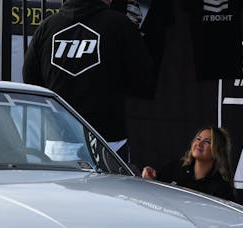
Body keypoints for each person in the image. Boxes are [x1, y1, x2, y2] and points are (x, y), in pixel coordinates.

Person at [22, 0, 156, 159]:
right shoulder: (120, 25)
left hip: (59, 141)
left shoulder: (47, 26)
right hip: (108, 141)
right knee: (110, 177)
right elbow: (143, 78)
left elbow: (30, 80)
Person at [141, 126, 236, 201]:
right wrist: (151, 180)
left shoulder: (221, 187)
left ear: (218, 150)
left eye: (207, 142)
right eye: (198, 139)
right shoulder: (176, 167)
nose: (199, 144)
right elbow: (155, 196)